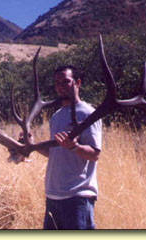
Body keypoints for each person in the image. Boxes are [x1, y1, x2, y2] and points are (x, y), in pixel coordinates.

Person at [36, 66, 102, 230]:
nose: (61, 86)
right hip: (53, 196)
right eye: (57, 83)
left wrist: (75, 147)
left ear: (77, 83)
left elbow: (94, 154)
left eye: (66, 81)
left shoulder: (88, 113)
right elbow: (55, 153)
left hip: (77, 197)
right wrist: (33, 145)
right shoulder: (57, 116)